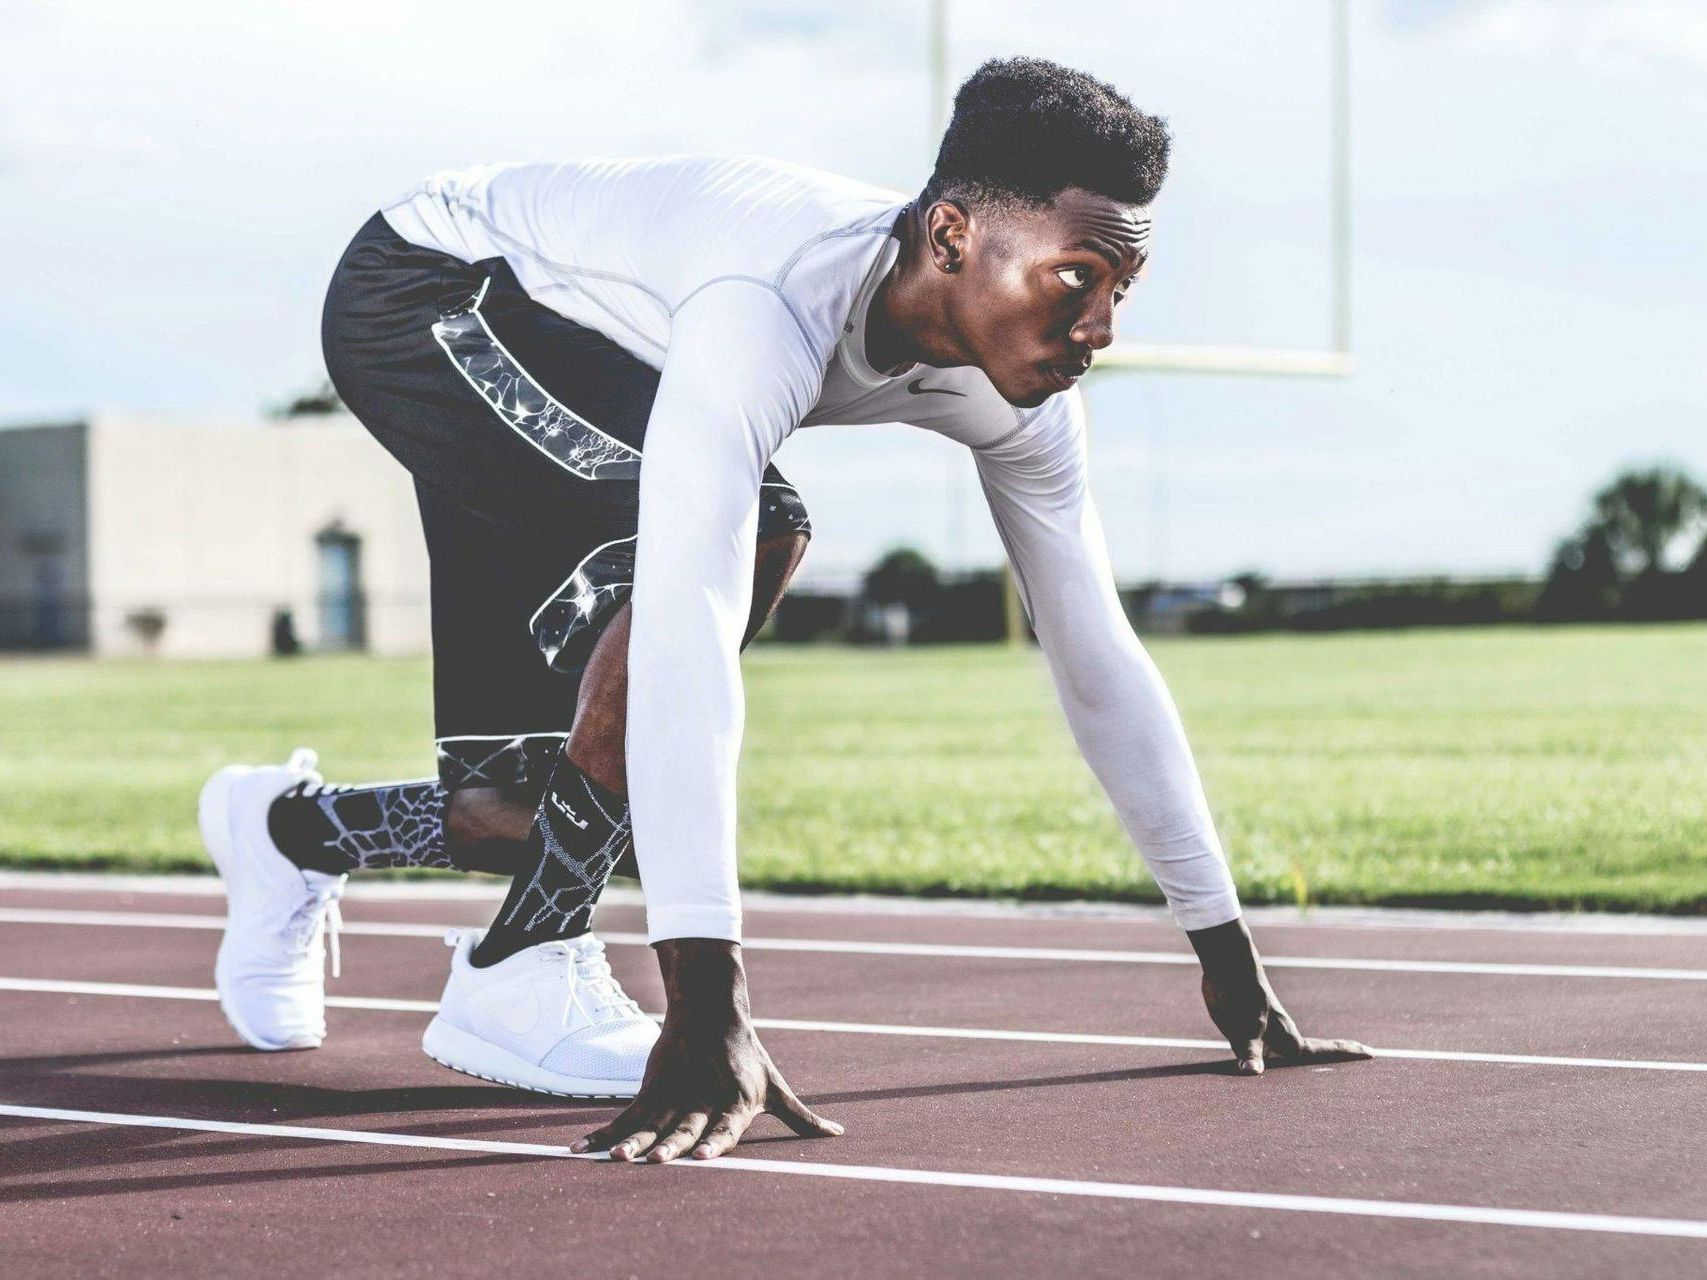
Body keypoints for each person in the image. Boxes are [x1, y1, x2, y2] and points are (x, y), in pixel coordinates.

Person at [199, 55, 1369, 1162]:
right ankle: (522, 960)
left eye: (1122, 286)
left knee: (520, 806)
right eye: (1077, 276)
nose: (1103, 326)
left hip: (598, 351)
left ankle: (289, 831)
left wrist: (1227, 955)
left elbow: (1097, 655)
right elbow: (689, 627)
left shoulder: (1027, 402)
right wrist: (707, 1002)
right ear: (951, 234)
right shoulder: (768, 300)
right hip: (430, 290)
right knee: (753, 532)